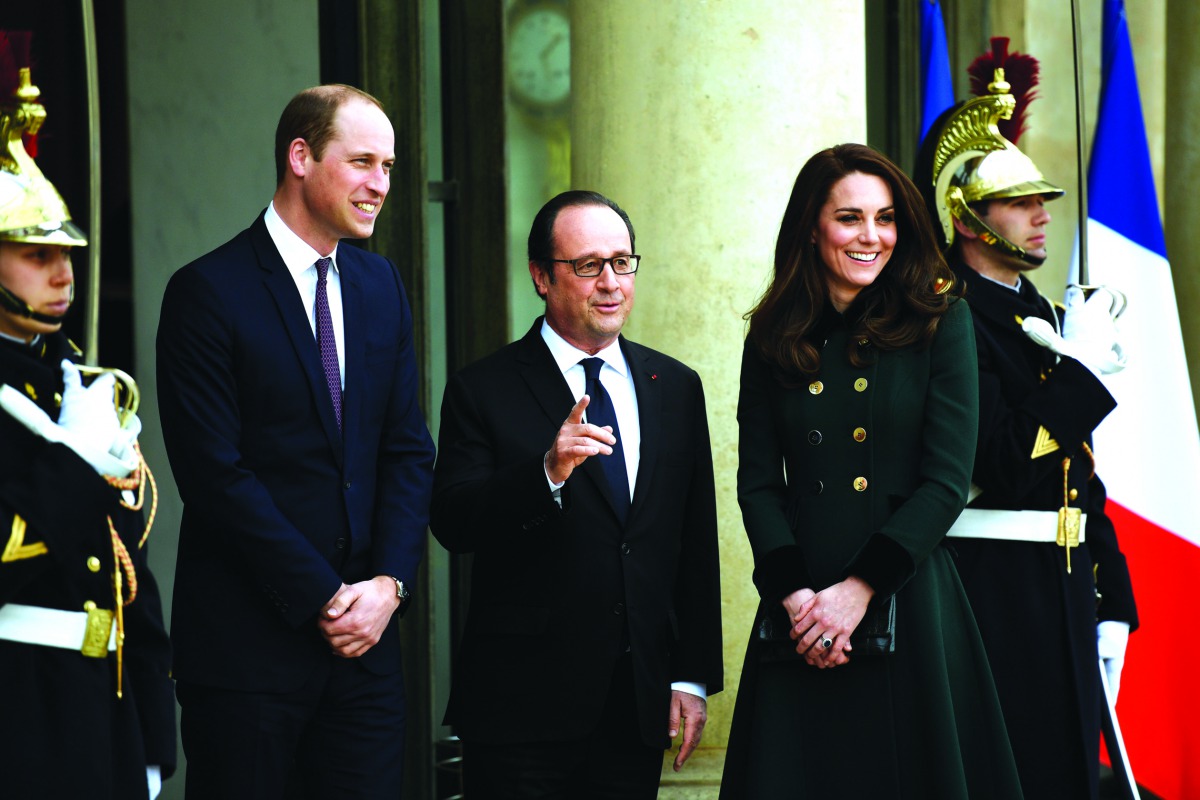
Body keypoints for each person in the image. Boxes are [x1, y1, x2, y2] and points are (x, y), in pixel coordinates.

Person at [156, 84, 435, 798]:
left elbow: (405, 449)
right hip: (248, 656)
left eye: (390, 166)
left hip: (366, 656)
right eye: (364, 161)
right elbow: (216, 476)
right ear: (301, 156)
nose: (381, 184)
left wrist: (389, 587)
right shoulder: (206, 292)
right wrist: (324, 596)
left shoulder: (381, 286)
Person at [720, 143, 1023, 799]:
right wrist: (799, 599)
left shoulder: (941, 321)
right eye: (850, 218)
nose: (872, 237)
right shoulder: (772, 335)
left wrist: (858, 591)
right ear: (811, 225)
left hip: (905, 598)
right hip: (798, 616)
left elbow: (946, 480)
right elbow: (758, 485)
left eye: (885, 219)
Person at [430, 190, 723, 799]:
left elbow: (692, 539)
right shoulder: (482, 387)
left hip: (635, 704)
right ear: (541, 276)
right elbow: (453, 522)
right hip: (521, 709)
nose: (611, 282)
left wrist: (691, 677)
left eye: (623, 262)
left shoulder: (674, 385)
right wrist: (546, 473)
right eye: (588, 265)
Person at [918, 49, 1137, 800]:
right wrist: (1080, 376)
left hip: (1066, 579)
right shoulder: (951, 319)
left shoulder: (1038, 312)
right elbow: (1007, 461)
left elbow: (1081, 469)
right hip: (996, 589)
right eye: (1021, 202)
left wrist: (1118, 596)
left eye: (1041, 199)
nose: (1043, 215)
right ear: (967, 218)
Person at [0, 40, 176, 799]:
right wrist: (74, 456)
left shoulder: (79, 380)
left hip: (103, 704)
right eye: (35, 253)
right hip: (19, 707)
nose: (64, 270)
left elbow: (128, 575)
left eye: (66, 250)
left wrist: (149, 730)